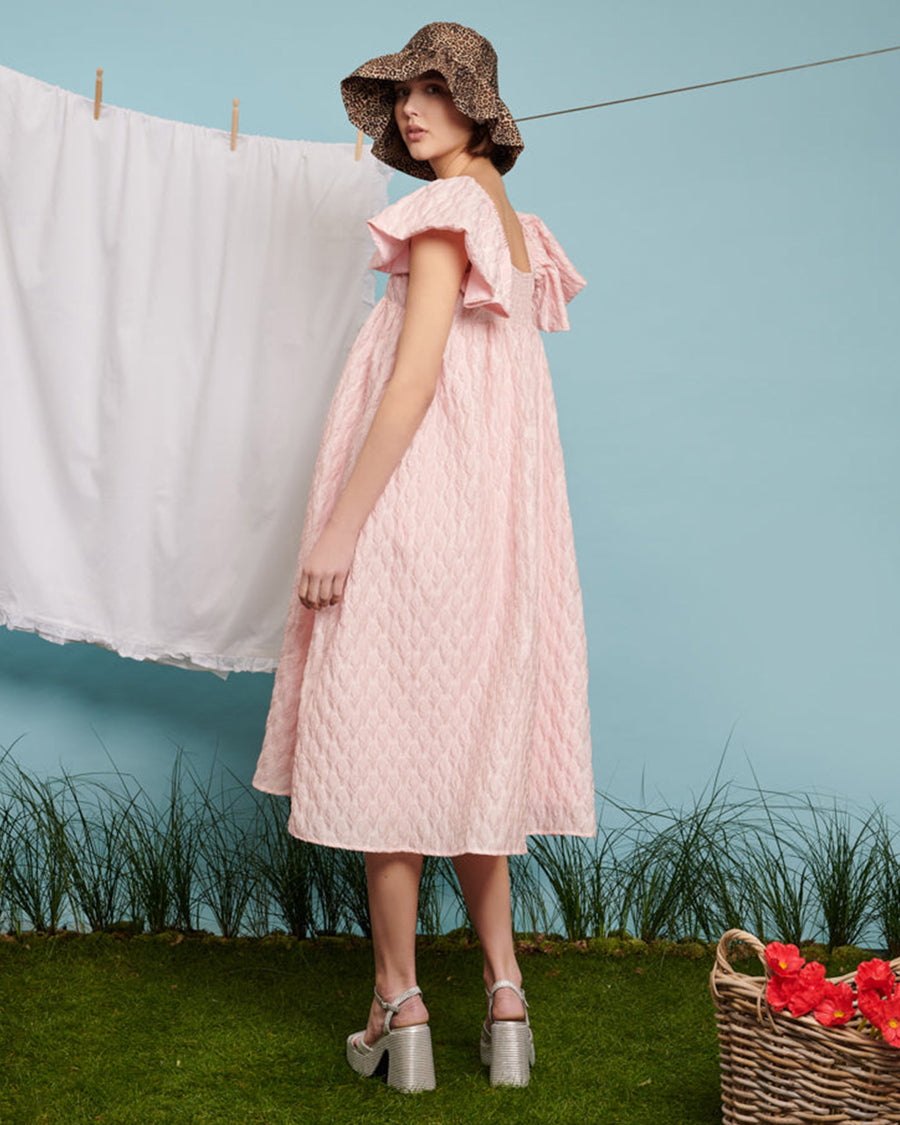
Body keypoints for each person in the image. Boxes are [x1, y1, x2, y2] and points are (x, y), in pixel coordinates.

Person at [251, 21, 595, 1092]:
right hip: (496, 529)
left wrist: (341, 526)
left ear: (477, 104)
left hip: (416, 514)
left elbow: (413, 381)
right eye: (403, 92)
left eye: (435, 89)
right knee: (470, 751)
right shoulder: (515, 224)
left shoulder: (443, 210)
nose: (410, 108)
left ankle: (400, 1007)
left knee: (385, 752)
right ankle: (506, 1001)